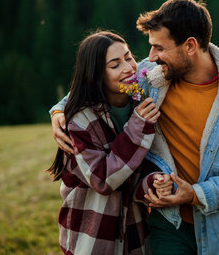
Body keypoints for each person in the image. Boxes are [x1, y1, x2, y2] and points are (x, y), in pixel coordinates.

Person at [51, 0, 219, 255]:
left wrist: (195, 194)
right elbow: (95, 81)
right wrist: (59, 110)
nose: (149, 57)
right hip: (168, 223)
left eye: (159, 48)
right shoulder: (151, 77)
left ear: (190, 46)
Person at [47, 30, 173, 255]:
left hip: (135, 235)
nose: (128, 68)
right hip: (93, 237)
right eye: (115, 65)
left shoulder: (140, 103)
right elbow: (103, 179)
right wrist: (138, 127)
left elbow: (133, 177)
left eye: (128, 57)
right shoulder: (80, 121)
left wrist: (154, 182)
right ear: (96, 74)